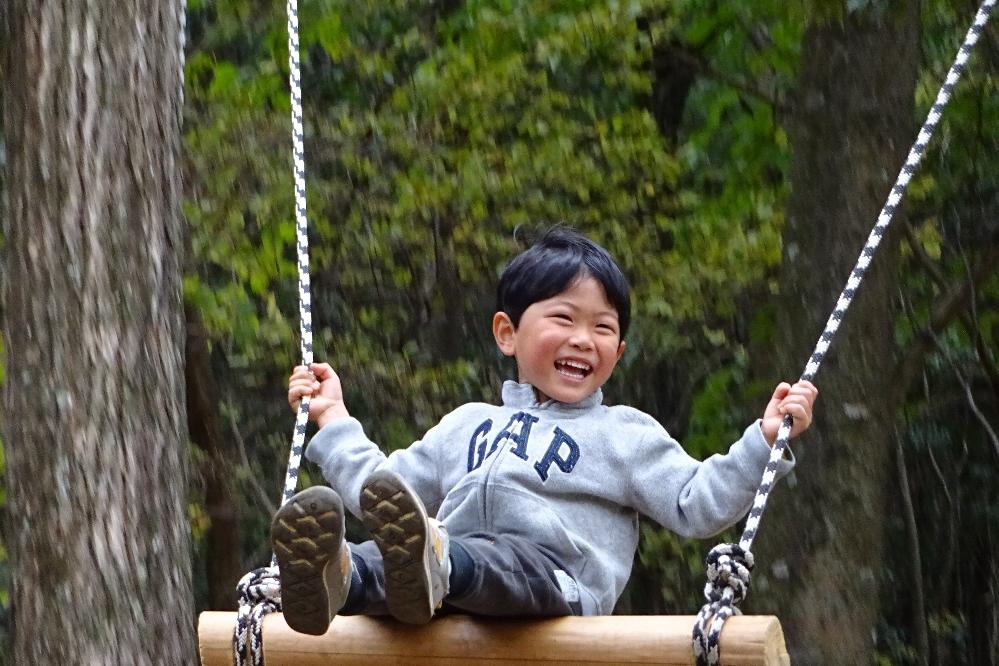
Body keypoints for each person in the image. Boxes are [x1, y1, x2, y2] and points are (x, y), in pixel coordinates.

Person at [273, 226, 817, 636]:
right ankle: (335, 578)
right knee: (378, 553)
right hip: (452, 573)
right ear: (507, 333)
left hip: (555, 583)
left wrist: (764, 442)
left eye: (603, 328)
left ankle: (435, 567)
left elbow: (695, 502)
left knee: (489, 560)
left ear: (618, 352)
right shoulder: (466, 425)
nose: (584, 339)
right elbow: (384, 491)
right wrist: (335, 418)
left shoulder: (622, 435)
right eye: (564, 319)